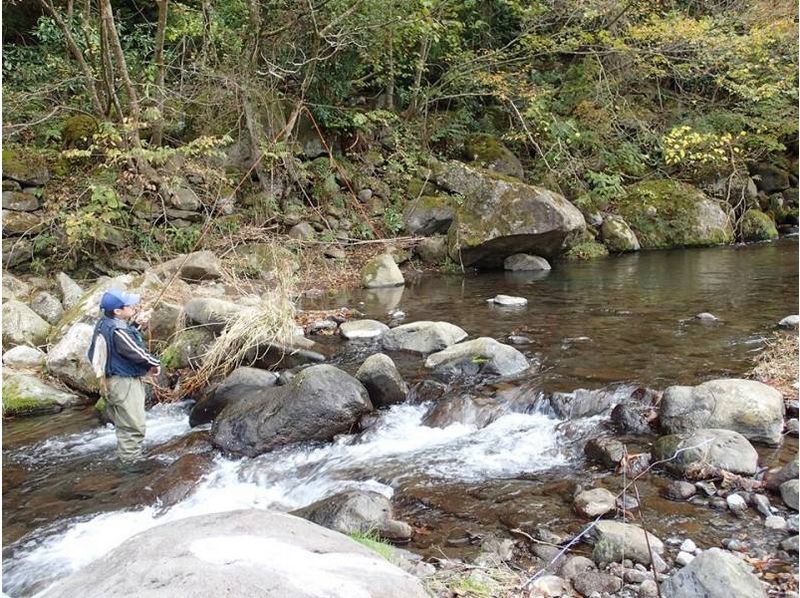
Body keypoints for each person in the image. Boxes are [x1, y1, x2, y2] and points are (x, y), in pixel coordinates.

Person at [87, 289, 160, 465]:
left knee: (124, 426)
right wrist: (154, 364)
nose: (133, 306)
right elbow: (135, 352)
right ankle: (130, 467)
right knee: (133, 427)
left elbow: (120, 342)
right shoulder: (118, 330)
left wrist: (135, 326)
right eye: (129, 305)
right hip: (123, 383)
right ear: (118, 311)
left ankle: (126, 459)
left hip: (111, 382)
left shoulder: (105, 323)